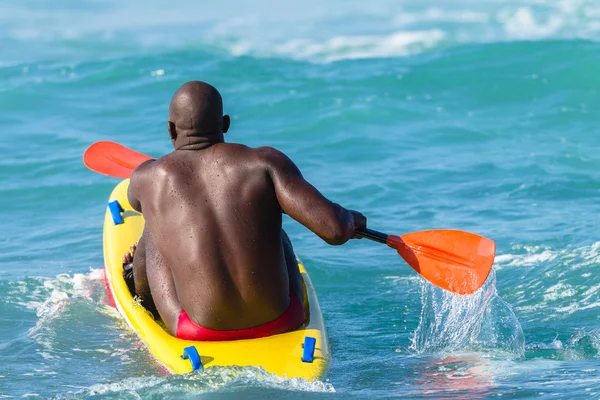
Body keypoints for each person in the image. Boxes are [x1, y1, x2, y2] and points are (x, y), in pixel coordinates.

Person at [122, 81, 366, 341]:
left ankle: (141, 299)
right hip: (282, 320)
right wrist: (351, 219)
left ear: (170, 129)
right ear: (225, 124)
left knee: (154, 224)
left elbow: (135, 202)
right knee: (276, 223)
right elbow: (335, 230)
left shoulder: (148, 177)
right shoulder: (265, 161)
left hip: (198, 330)